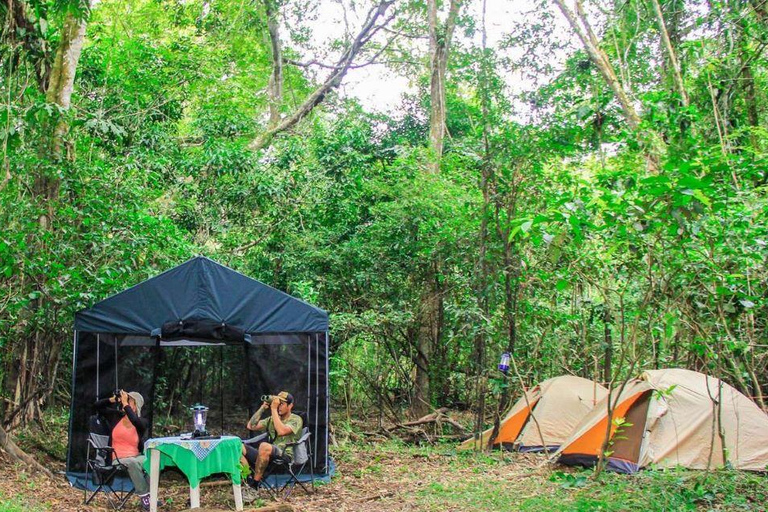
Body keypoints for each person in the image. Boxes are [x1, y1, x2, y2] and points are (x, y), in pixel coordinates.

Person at [95, 389, 153, 511]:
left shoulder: (142, 422)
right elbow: (97, 406)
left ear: (136, 406)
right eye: (126, 400)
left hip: (136, 456)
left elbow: (135, 420)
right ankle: (145, 496)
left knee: (153, 462)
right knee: (132, 463)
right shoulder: (116, 417)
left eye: (130, 401)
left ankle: (151, 495)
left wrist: (126, 404)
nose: (125, 402)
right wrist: (113, 400)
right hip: (118, 458)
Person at [241, 391, 303, 488]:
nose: (278, 406)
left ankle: (255, 485)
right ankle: (249, 479)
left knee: (264, 446)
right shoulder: (271, 419)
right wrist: (263, 408)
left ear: (290, 405)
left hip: (285, 454)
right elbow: (251, 426)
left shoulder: (296, 419)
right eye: (277, 403)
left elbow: (282, 431)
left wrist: (273, 409)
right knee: (237, 446)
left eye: (281, 404)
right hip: (267, 454)